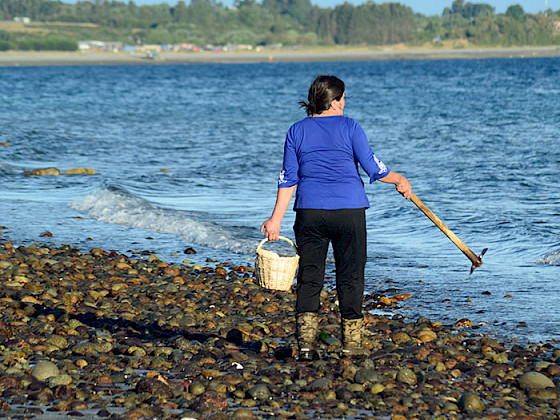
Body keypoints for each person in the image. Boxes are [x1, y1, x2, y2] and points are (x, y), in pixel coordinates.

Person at [260, 75, 412, 361]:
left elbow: (288, 179)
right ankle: (351, 346)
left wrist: (275, 219)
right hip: (349, 213)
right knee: (351, 277)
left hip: (310, 214)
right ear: (333, 102)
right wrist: (399, 180)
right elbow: (375, 169)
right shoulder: (351, 127)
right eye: (342, 99)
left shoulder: (296, 131)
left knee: (310, 278)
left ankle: (306, 347)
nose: (344, 104)